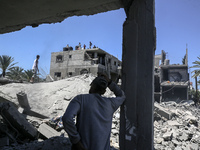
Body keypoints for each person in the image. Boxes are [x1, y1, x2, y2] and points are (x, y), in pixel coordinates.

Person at [62, 73, 126, 150]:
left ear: (92, 85)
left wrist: (76, 140)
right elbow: (122, 96)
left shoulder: (80, 99)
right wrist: (109, 82)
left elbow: (67, 118)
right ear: (104, 91)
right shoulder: (110, 104)